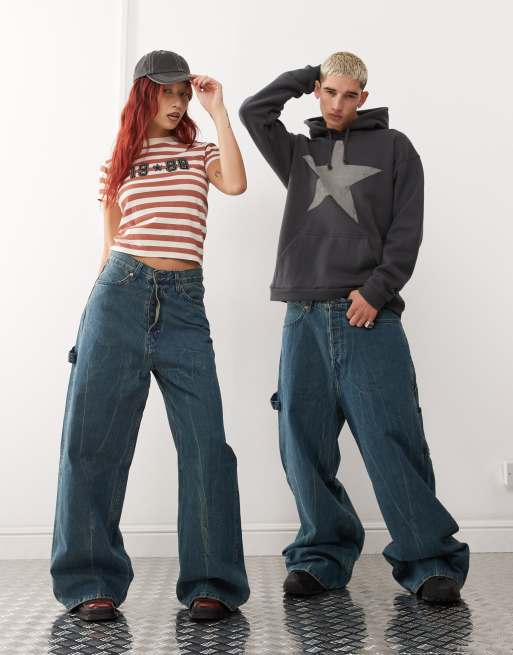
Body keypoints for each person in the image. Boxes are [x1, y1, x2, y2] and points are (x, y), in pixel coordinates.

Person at [238, 51, 469, 604]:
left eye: (349, 95)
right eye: (329, 92)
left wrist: (376, 290)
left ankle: (429, 560)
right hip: (303, 315)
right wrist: (304, 77)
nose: (337, 104)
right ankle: (321, 557)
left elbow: (407, 230)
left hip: (368, 314)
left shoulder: (395, 149)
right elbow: (253, 112)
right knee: (303, 441)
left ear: (364, 97)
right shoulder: (299, 153)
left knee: (393, 438)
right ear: (318, 90)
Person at [50, 49, 250, 623]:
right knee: (93, 441)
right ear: (145, 93)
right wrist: (90, 320)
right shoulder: (119, 161)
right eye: (169, 92)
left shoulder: (200, 151)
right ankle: (91, 581)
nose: (179, 102)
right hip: (119, 295)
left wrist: (218, 111)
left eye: (184, 93)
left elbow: (236, 184)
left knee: (206, 442)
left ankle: (212, 580)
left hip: (184, 304)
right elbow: (108, 246)